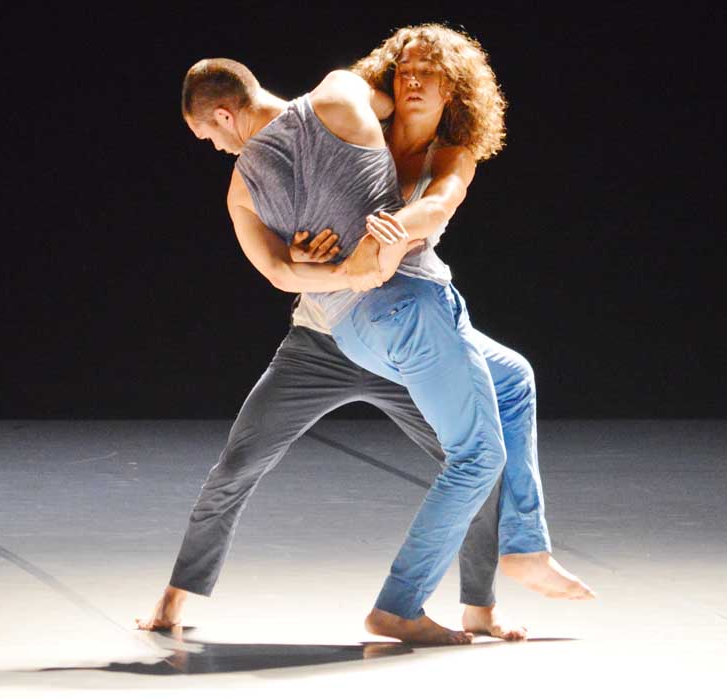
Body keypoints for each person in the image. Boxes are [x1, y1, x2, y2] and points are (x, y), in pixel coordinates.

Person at [140, 25, 592, 645]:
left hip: (389, 327)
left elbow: (431, 201)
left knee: (495, 413)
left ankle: (482, 604)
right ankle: (179, 598)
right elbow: (283, 244)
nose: (410, 85)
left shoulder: (425, 144)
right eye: (403, 75)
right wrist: (323, 261)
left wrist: (385, 237)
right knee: (245, 461)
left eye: (427, 78)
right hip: (328, 337)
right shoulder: (340, 121)